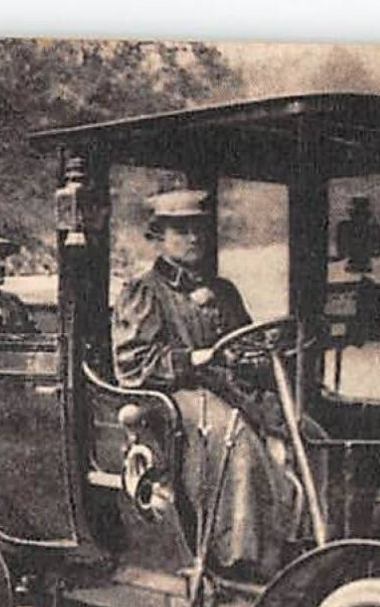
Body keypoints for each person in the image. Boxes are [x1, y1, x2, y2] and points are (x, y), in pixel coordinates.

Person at [111, 189, 298, 578]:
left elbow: (244, 341)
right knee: (236, 440)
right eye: (181, 230)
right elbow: (131, 364)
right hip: (176, 393)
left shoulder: (223, 291)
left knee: (303, 428)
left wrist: (260, 353)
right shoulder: (144, 291)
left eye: (198, 229)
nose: (194, 238)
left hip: (228, 387)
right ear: (160, 237)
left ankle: (302, 541)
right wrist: (191, 359)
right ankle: (240, 560)